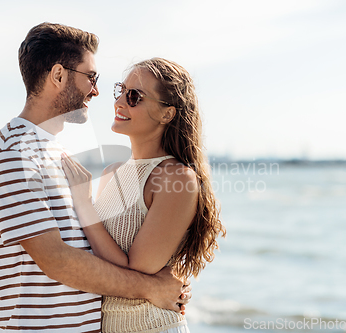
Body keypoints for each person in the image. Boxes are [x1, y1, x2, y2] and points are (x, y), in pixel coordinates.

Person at [0, 23, 191, 333]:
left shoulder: (54, 153)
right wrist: (150, 288)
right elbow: (57, 261)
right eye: (91, 77)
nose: (97, 90)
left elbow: (98, 248)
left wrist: (168, 284)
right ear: (59, 75)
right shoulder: (13, 154)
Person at [61, 57, 226, 332]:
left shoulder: (176, 178)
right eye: (121, 91)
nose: (119, 102)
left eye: (134, 96)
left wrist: (83, 202)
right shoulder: (112, 172)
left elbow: (136, 270)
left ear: (167, 114)